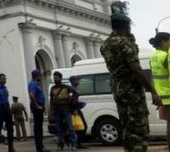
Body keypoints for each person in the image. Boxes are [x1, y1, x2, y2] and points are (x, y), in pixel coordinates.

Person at [100, 10, 162, 152]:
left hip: (118, 89)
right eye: (129, 25)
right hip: (132, 90)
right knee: (139, 130)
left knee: (127, 128)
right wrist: (152, 91)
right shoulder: (125, 43)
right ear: (125, 26)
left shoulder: (105, 45)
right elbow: (136, 69)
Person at [148, 32, 170, 151]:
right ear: (163, 42)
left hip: (162, 95)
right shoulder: (165, 56)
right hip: (168, 93)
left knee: (169, 123)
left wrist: (154, 94)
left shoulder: (153, 57)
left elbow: (153, 77)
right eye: (169, 41)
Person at [49, 71, 77, 150]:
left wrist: (71, 99)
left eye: (56, 78)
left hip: (66, 109)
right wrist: (50, 111)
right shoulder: (53, 88)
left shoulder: (66, 87)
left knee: (70, 127)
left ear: (60, 78)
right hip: (57, 110)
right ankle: (60, 144)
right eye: (54, 78)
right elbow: (51, 100)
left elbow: (77, 93)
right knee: (58, 128)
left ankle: (73, 144)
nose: (55, 80)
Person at [29, 69, 49, 152]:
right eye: (40, 75)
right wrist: (37, 106)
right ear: (37, 76)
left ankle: (41, 146)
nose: (41, 77)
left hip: (39, 106)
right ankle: (40, 147)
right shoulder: (33, 84)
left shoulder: (36, 84)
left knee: (39, 127)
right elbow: (32, 95)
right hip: (37, 106)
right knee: (38, 127)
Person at [68, 76, 87, 149]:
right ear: (73, 81)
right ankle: (75, 142)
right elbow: (70, 100)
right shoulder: (71, 89)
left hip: (77, 109)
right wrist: (74, 109)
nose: (78, 81)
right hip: (74, 110)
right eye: (77, 80)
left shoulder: (74, 88)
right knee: (82, 127)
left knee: (80, 127)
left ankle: (78, 143)